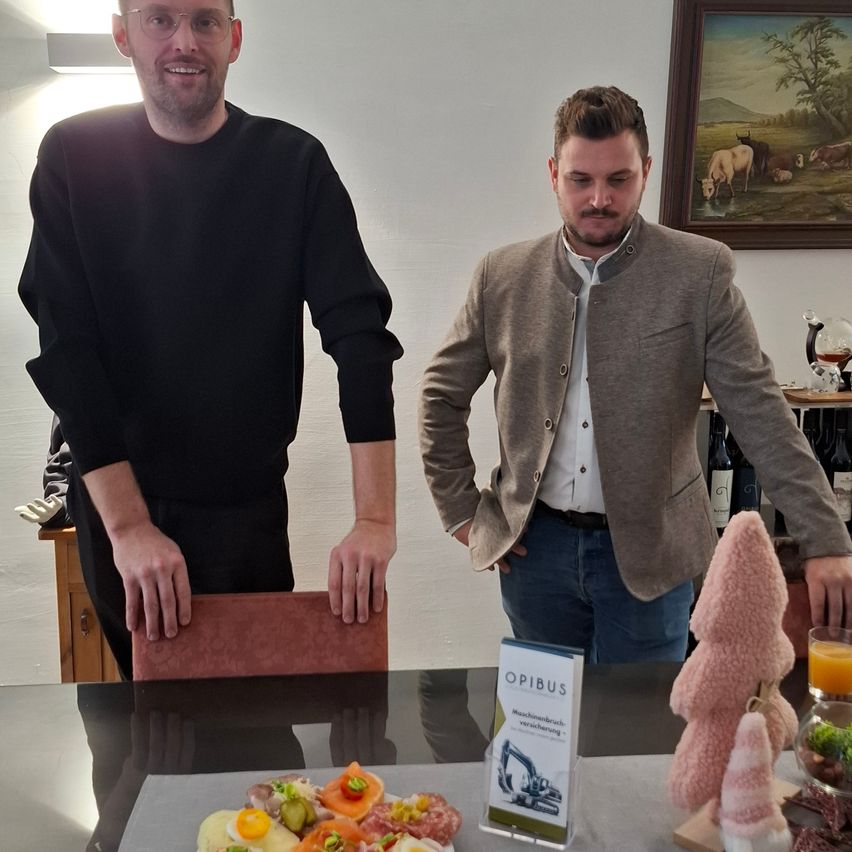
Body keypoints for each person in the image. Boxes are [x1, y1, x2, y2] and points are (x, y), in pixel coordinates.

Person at [19, 0, 402, 679]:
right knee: (138, 749)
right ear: (122, 35)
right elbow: (66, 349)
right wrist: (131, 529)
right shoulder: (72, 157)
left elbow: (360, 337)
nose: (183, 41)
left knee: (254, 740)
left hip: (247, 512)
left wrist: (374, 519)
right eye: (159, 19)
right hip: (119, 504)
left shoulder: (294, 165)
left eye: (204, 20)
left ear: (236, 39)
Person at [418, 86, 852, 663]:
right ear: (553, 174)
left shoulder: (700, 273)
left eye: (618, 179)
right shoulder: (502, 276)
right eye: (580, 180)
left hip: (654, 557)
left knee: (642, 740)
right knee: (545, 737)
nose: (599, 198)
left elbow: (761, 415)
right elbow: (440, 397)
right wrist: (465, 516)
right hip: (535, 552)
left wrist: (824, 537)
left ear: (645, 172)